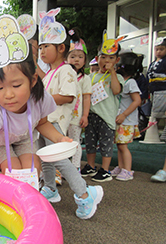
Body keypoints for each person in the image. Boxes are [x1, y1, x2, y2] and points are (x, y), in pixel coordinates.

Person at [0, 14, 85, 233]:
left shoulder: (40, 99)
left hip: (23, 136)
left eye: (16, 85)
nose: (8, 95)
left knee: (31, 171)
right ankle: (12, 212)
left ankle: (30, 217)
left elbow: (41, 123)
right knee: (13, 172)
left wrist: (59, 138)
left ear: (32, 81)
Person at [37, 8, 103, 219]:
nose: (42, 51)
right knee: (45, 158)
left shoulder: (66, 70)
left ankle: (85, 193)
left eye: (46, 46)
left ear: (61, 48)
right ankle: (50, 189)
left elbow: (67, 96)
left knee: (59, 160)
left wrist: (39, 100)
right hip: (45, 122)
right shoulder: (50, 73)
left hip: (54, 123)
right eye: (40, 47)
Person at [80, 30, 125, 182]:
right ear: (97, 58)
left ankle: (105, 170)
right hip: (92, 115)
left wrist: (112, 71)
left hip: (107, 117)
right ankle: (91, 166)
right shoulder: (91, 76)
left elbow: (116, 90)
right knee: (91, 142)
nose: (106, 60)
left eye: (111, 58)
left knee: (106, 144)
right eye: (103, 57)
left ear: (117, 59)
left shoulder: (117, 77)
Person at [110, 51, 142, 181]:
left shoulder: (131, 82)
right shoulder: (123, 81)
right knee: (119, 144)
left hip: (127, 120)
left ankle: (128, 170)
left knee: (123, 146)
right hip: (121, 120)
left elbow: (137, 101)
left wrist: (124, 114)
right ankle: (121, 167)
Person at [66, 28, 92, 171]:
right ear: (66, 58)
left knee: (75, 142)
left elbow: (87, 98)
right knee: (62, 142)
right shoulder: (64, 75)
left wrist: (85, 115)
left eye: (80, 57)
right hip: (63, 117)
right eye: (73, 56)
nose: (76, 59)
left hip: (76, 118)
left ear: (85, 60)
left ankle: (75, 168)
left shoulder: (85, 79)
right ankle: (62, 169)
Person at [146, 37, 166, 141]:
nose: (158, 52)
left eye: (161, 49)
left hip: (163, 90)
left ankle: (162, 134)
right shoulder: (152, 63)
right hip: (153, 91)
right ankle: (154, 133)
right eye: (156, 49)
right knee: (154, 113)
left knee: (159, 113)